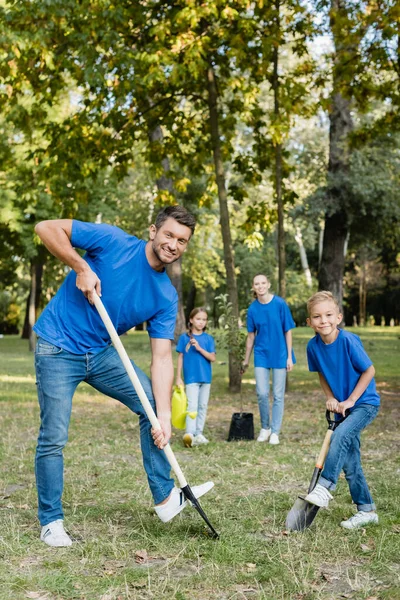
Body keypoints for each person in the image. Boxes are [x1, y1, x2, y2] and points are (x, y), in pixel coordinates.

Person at [33, 205, 213, 547]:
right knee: (54, 436)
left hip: (101, 353)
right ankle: (51, 521)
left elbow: (161, 358)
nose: (174, 244)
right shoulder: (113, 241)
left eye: (182, 240)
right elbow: (46, 228)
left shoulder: (165, 295)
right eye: (169, 235)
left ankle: (165, 499)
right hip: (57, 346)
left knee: (150, 409)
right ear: (153, 231)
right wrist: (81, 266)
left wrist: (162, 414)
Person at [304, 291, 380, 529]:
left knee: (340, 435)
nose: (323, 320)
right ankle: (366, 510)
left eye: (328, 315)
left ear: (338, 317)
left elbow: (369, 371)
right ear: (309, 322)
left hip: (364, 403)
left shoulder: (347, 340)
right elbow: (322, 374)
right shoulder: (313, 346)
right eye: (317, 317)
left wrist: (349, 400)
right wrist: (330, 397)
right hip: (342, 409)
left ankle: (325, 486)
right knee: (350, 463)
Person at [242, 274, 296, 445]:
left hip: (280, 354)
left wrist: (289, 357)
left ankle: (275, 432)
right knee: (262, 393)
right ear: (253, 287)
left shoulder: (280, 304)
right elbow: (251, 337)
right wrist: (246, 360)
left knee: (278, 395)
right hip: (261, 355)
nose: (260, 286)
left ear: (268, 284)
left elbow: (288, 330)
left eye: (263, 283)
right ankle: (265, 428)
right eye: (257, 284)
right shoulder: (252, 309)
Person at [175, 308, 216, 447]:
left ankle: (199, 433)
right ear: (191, 320)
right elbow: (180, 357)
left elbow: (212, 357)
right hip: (191, 378)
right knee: (192, 405)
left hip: (206, 378)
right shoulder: (184, 338)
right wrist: (178, 377)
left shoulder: (208, 339)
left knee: (202, 405)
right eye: (198, 319)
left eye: (204, 319)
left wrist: (199, 348)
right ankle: (190, 434)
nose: (201, 322)